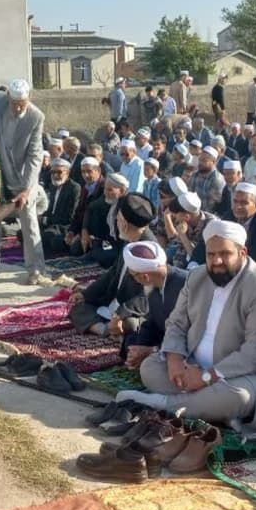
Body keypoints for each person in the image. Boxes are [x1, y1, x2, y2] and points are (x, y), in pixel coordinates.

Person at [126, 219, 256, 429]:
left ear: (242, 253)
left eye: (225, 254)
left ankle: (164, 404)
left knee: (238, 396)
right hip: (195, 365)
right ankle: (209, 408)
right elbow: (176, 323)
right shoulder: (197, 277)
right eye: (211, 254)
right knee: (150, 368)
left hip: (247, 374)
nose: (217, 261)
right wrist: (175, 359)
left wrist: (208, 376)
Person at [0, 80, 51, 286]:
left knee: (29, 220)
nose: (18, 108)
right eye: (14, 104)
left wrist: (26, 190)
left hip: (22, 176)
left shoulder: (36, 117)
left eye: (23, 104)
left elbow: (34, 155)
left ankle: (36, 270)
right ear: (8, 98)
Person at [69, 193, 155, 335]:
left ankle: (109, 327)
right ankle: (104, 329)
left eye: (118, 218)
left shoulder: (148, 251)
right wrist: (87, 294)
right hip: (113, 302)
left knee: (131, 324)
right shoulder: (129, 239)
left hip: (131, 308)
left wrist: (121, 314)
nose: (116, 222)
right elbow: (113, 272)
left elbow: (147, 296)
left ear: (124, 223)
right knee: (79, 307)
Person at [118, 241, 189, 370]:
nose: (134, 281)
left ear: (145, 276)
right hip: (164, 339)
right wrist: (138, 349)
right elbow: (152, 323)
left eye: (133, 276)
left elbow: (191, 335)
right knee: (131, 342)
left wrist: (152, 350)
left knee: (149, 367)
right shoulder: (153, 286)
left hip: (182, 348)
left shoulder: (185, 285)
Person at [40, 158, 82, 257]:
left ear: (67, 173)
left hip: (64, 226)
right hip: (51, 224)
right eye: (53, 172)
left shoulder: (74, 188)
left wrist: (46, 220)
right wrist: (41, 217)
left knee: (47, 237)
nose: (55, 175)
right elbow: (51, 209)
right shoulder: (53, 186)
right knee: (24, 233)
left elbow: (70, 216)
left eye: (59, 172)